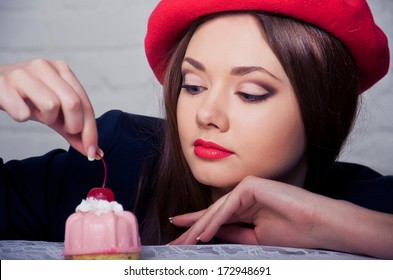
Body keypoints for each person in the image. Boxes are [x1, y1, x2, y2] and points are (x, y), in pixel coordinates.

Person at [0, 0, 392, 259]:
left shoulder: (366, 204)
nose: (207, 114)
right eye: (193, 86)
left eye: (251, 93)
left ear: (322, 109)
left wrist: (325, 224)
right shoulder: (115, 159)